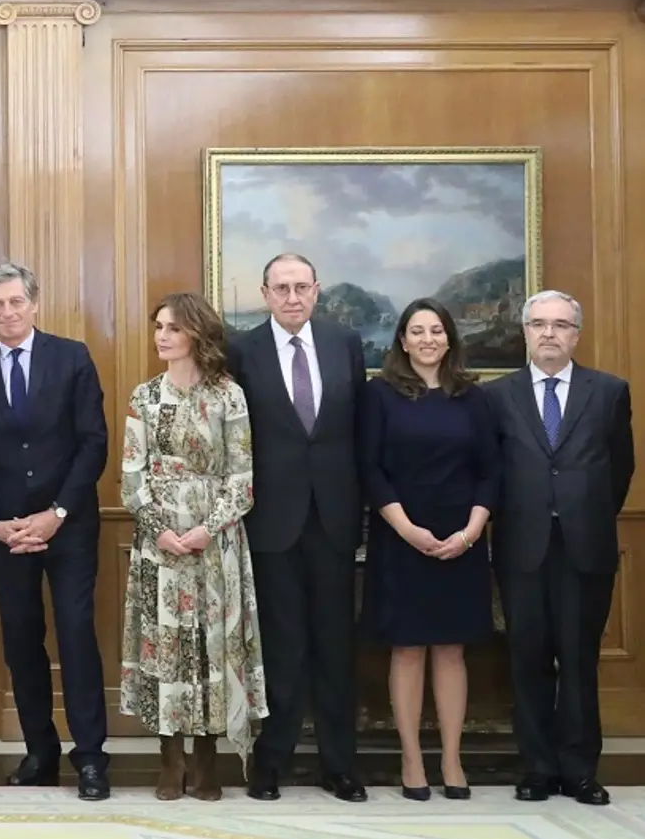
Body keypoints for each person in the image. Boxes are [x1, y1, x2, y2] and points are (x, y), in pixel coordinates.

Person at [0, 263, 110, 799]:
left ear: (34, 303)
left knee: (75, 632)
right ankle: (40, 751)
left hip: (68, 527)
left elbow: (94, 443)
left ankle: (90, 757)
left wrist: (56, 513)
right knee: (22, 640)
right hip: (7, 535)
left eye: (16, 302)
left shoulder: (72, 358)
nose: (7, 312)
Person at [225, 253, 366, 802]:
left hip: (333, 517)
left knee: (336, 646)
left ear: (317, 290)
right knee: (281, 647)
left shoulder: (344, 343)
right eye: (281, 288)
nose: (292, 297)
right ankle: (272, 761)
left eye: (301, 287)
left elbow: (357, 428)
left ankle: (340, 766)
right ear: (265, 293)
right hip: (271, 520)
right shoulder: (243, 349)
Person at [485, 289, 634, 806]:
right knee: (527, 660)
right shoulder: (497, 396)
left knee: (577, 660)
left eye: (561, 325)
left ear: (577, 333)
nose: (549, 333)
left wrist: (581, 513)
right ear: (524, 332)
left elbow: (621, 469)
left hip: (584, 548)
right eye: (539, 324)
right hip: (521, 547)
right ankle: (537, 770)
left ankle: (579, 771)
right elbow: (491, 471)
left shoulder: (610, 391)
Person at [121, 291, 267, 801]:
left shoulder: (229, 396)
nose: (161, 336)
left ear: (196, 335)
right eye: (157, 326)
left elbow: (242, 477)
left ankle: (208, 758)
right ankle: (170, 759)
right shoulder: (144, 397)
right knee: (166, 647)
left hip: (215, 538)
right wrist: (160, 528)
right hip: (158, 542)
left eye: (172, 328)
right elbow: (131, 477)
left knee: (209, 646)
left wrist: (208, 528)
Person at [357, 299, 497, 800]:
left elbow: (490, 472)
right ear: (402, 340)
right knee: (408, 648)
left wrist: (471, 531)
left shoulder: (473, 398)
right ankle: (412, 761)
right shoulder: (381, 395)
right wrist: (407, 528)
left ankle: (453, 761)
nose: (428, 339)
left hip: (462, 539)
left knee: (452, 650)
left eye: (436, 330)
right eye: (417, 331)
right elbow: (370, 469)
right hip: (402, 538)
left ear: (449, 338)